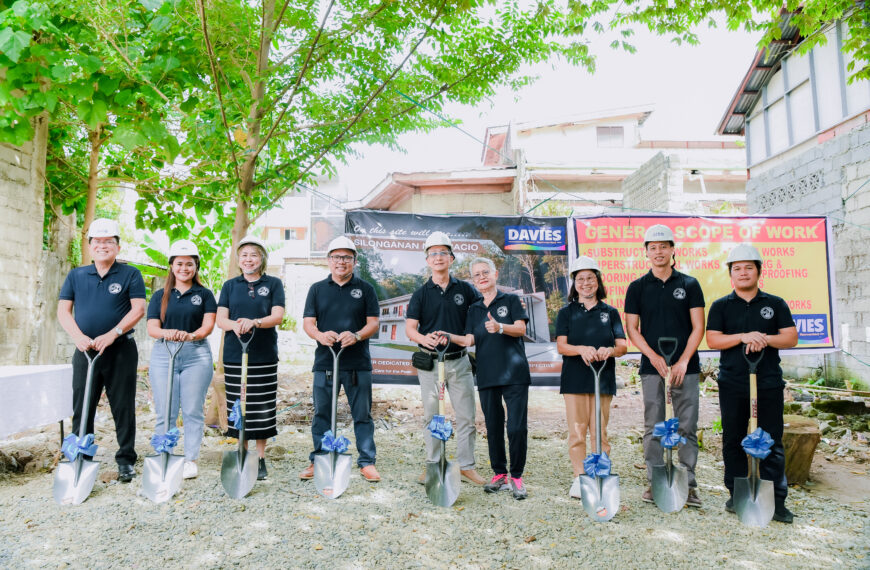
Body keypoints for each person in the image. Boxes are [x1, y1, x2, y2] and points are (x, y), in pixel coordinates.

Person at [706, 243, 798, 523]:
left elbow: (790, 338)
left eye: (748, 267)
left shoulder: (775, 304)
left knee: (771, 440)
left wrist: (764, 338)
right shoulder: (721, 306)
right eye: (737, 269)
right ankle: (736, 494)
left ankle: (776, 500)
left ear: (759, 271)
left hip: (768, 381)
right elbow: (713, 340)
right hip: (732, 381)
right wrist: (743, 336)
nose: (743, 273)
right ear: (730, 274)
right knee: (732, 438)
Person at [57, 218, 146, 483]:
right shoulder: (76, 275)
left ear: (118, 247)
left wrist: (112, 334)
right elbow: (63, 311)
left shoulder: (131, 274)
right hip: (86, 351)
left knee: (123, 406)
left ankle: (126, 460)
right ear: (90, 246)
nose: (103, 246)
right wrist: (78, 337)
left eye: (109, 241)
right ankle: (81, 457)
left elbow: (138, 309)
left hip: (120, 350)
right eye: (98, 241)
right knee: (82, 405)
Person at [624, 224, 706, 507]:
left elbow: (698, 326)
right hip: (652, 367)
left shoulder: (690, 285)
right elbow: (632, 328)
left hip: (687, 367)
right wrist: (653, 356)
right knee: (655, 424)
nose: (658, 252)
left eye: (663, 246)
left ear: (672, 249)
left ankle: (689, 484)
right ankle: (655, 480)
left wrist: (683, 360)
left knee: (686, 425)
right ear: (646, 252)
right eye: (653, 247)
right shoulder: (637, 287)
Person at [405, 231, 486, 486]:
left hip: (459, 362)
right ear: (427, 260)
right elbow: (410, 329)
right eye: (433, 254)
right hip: (430, 364)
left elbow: (480, 320)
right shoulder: (421, 294)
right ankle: (433, 465)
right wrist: (422, 339)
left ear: (451, 258)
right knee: (432, 417)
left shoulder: (467, 290)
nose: (438, 257)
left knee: (466, 417)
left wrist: (468, 337)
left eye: (443, 253)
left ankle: (466, 466)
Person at [447, 257, 531, 500]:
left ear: (495, 274)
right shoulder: (474, 309)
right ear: (473, 280)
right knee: (493, 427)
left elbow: (521, 329)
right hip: (487, 375)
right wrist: (447, 336)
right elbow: (469, 340)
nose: (482, 277)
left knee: (516, 427)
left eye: (485, 272)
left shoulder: (511, 299)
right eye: (476, 275)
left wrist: (501, 328)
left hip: (515, 373)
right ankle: (499, 474)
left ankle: (516, 476)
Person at [299, 236, 381, 482]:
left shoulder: (365, 289)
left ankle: (367, 461)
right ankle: (320, 458)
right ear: (328, 261)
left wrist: (356, 336)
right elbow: (308, 323)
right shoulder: (317, 289)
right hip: (325, 362)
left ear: (354, 261)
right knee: (322, 413)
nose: (341, 262)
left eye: (346, 257)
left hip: (358, 364)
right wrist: (320, 335)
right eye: (336, 257)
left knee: (362, 414)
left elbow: (373, 323)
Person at [555, 256, 628, 498]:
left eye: (590, 278)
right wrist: (581, 349)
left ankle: (600, 474)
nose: (586, 283)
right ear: (574, 283)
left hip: (602, 379)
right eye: (580, 279)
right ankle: (579, 477)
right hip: (575, 379)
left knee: (600, 432)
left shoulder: (610, 312)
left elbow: (622, 346)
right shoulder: (566, 313)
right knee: (577, 431)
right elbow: (562, 346)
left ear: (598, 281)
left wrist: (610, 350)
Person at [216, 235, 285, 481]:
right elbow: (220, 319)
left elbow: (277, 316)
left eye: (253, 254)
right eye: (244, 255)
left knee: (262, 405)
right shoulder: (230, 286)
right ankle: (241, 453)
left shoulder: (273, 284)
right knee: (239, 405)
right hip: (236, 355)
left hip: (263, 355)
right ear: (238, 259)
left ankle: (261, 458)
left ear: (262, 258)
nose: (248, 259)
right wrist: (235, 325)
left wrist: (254, 322)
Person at [146, 239, 216, 480]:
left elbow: (208, 326)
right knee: (165, 409)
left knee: (192, 410)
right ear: (171, 266)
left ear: (196, 266)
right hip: (164, 354)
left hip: (196, 354)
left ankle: (190, 459)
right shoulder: (160, 296)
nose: (184, 268)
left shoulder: (204, 294)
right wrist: (169, 333)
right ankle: (164, 454)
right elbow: (153, 328)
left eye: (189, 264)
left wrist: (191, 335)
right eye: (179, 264)